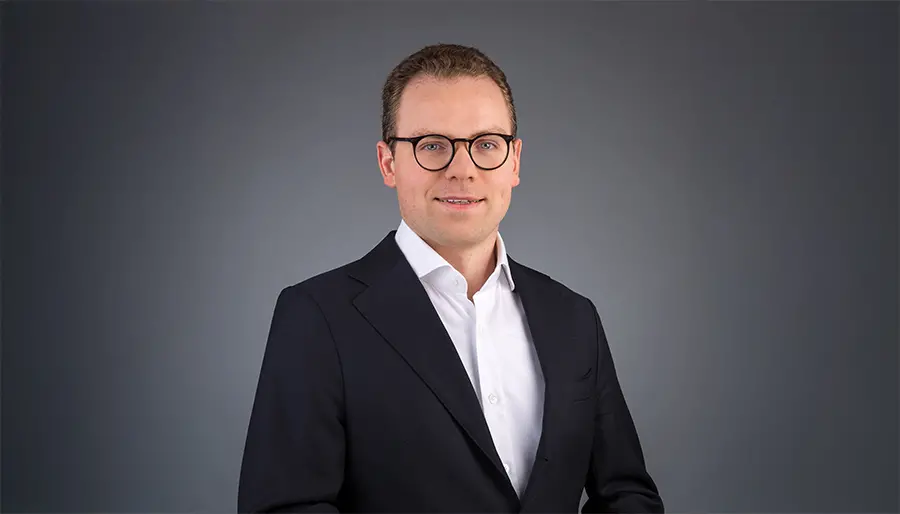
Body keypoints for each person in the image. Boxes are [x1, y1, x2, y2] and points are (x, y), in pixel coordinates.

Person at [237, 43, 664, 513]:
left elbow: (627, 495)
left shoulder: (574, 317)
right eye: (432, 145)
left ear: (514, 161)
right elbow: (285, 507)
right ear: (388, 163)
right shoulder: (317, 317)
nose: (462, 170)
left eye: (487, 144)